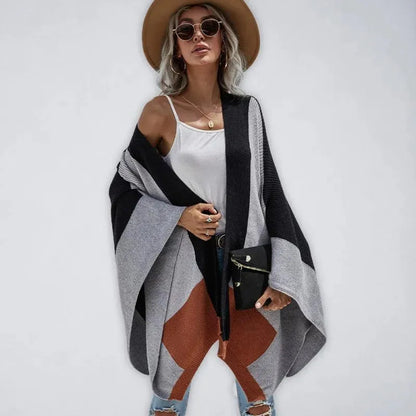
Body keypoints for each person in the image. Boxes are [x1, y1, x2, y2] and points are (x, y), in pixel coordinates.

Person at [109, 1, 327, 415]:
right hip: (183, 270)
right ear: (176, 48)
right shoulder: (159, 112)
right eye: (185, 30)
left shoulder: (248, 112)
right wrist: (178, 217)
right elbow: (123, 187)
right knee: (170, 390)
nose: (198, 36)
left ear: (224, 40)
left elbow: (271, 192)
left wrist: (284, 273)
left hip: (248, 264)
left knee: (257, 392)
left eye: (209, 27)